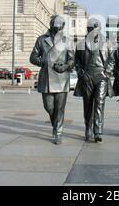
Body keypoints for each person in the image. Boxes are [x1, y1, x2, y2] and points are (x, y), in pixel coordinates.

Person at [30, 15, 75, 145]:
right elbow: (33, 57)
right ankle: (56, 126)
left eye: (59, 26)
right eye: (55, 25)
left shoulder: (67, 41)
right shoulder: (41, 40)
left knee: (59, 108)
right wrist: (42, 61)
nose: (57, 28)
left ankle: (58, 132)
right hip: (47, 78)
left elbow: (72, 60)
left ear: (62, 26)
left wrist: (66, 66)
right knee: (49, 107)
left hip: (61, 78)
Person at [74, 18, 115, 143]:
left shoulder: (107, 43)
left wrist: (106, 73)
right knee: (88, 104)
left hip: (101, 76)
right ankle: (88, 128)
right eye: (91, 28)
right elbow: (77, 62)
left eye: (96, 28)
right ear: (88, 29)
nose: (94, 31)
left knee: (99, 103)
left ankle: (98, 131)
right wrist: (82, 73)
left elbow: (112, 60)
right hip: (87, 76)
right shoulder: (81, 44)